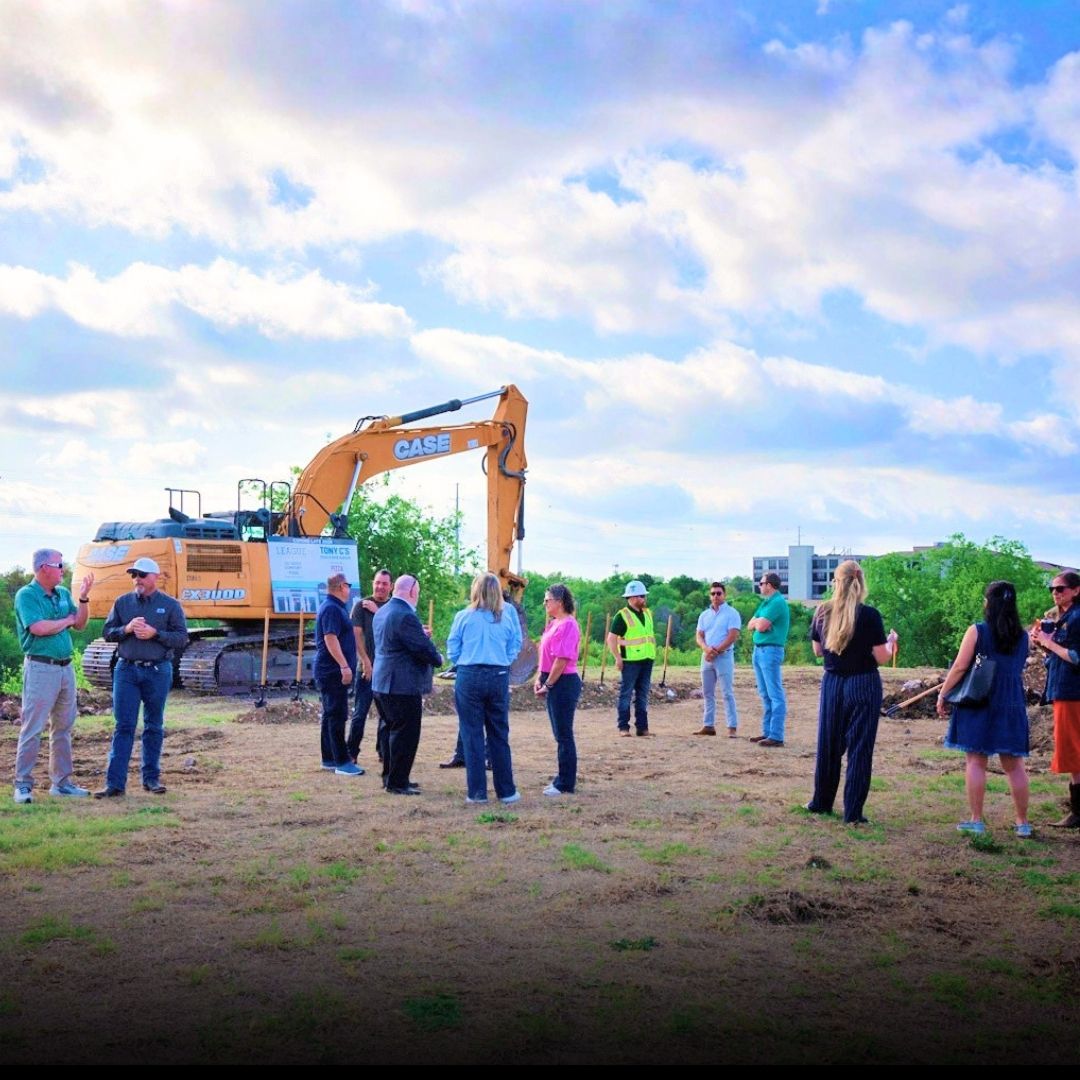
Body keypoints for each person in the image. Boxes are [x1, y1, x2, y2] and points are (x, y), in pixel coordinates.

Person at [936, 581, 1032, 836]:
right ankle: (1022, 823)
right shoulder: (1024, 637)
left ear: (989, 603)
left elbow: (959, 667)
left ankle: (976, 820)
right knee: (1014, 765)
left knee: (976, 761)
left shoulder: (977, 631)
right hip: (1012, 702)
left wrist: (944, 694)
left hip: (981, 700)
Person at [806, 561, 896, 824]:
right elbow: (880, 657)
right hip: (863, 684)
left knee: (828, 745)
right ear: (861, 582)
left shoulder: (822, 611)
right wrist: (890, 644)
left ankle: (820, 802)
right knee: (859, 748)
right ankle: (853, 813)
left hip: (833, 683)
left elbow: (817, 651)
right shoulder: (870, 615)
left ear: (836, 582)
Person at [95, 557, 188, 798]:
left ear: (155, 577)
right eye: (134, 575)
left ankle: (151, 779)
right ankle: (115, 785)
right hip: (126, 670)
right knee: (123, 726)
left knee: (153, 725)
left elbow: (181, 638)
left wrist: (156, 633)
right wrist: (125, 629)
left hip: (157, 671)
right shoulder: (122, 603)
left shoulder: (170, 605)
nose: (137, 579)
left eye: (142, 575)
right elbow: (106, 633)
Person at [12, 549, 95, 803]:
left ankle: (62, 783)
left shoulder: (64, 594)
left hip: (65, 668)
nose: (63, 569)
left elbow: (80, 624)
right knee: (32, 728)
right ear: (44, 568)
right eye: (59, 565)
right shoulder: (27, 595)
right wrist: (66, 621)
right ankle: (23, 785)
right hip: (40, 668)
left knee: (63, 728)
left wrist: (82, 600)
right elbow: (38, 628)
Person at [446, 572, 522, 805]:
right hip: (498, 674)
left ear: (475, 591)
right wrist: (504, 660)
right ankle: (506, 791)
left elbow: (453, 646)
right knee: (499, 733)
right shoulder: (508, 615)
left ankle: (477, 793)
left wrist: (462, 662)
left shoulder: (463, 616)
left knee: (472, 734)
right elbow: (516, 643)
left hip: (469, 675)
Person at [372, 575, 443, 795]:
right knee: (405, 734)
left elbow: (397, 641)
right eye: (418, 593)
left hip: (382, 681)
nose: (418, 597)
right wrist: (438, 657)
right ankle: (398, 782)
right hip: (402, 685)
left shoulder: (383, 611)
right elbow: (421, 649)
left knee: (390, 731)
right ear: (412, 592)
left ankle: (390, 777)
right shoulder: (405, 615)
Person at [1032, 570, 1080, 829]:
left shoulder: (1077, 618)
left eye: (1060, 589)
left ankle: (1077, 812)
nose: (1055, 593)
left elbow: (1076, 656)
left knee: (1073, 750)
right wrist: (1042, 643)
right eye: (1052, 588)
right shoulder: (1064, 618)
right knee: (1072, 749)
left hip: (1073, 692)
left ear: (1076, 590)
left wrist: (1049, 644)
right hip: (1065, 690)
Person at [534, 583, 582, 795]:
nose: (545, 604)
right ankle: (561, 778)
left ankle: (565, 783)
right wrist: (539, 677)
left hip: (563, 682)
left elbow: (561, 660)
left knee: (563, 734)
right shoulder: (554, 623)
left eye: (547, 600)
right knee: (559, 733)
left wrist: (548, 684)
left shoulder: (568, 625)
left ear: (559, 602)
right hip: (550, 677)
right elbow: (544, 654)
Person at [314, 572, 363, 778]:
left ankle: (329, 758)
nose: (349, 589)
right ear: (342, 586)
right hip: (333, 671)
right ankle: (342, 761)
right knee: (336, 715)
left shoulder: (333, 607)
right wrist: (344, 666)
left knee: (329, 715)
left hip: (330, 671)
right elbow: (330, 638)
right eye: (348, 585)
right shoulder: (332, 609)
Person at [349, 568, 392, 768]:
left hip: (387, 671)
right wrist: (365, 661)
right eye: (377, 583)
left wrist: (379, 612)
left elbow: (395, 630)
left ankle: (384, 752)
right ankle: (351, 753)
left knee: (387, 716)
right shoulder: (361, 606)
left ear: (391, 587)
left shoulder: (393, 607)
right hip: (365, 669)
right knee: (360, 713)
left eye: (384, 583)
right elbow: (356, 635)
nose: (380, 587)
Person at [606, 580, 656, 737]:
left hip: (647, 659)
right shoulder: (622, 616)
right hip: (630, 661)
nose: (644, 599)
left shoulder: (647, 613)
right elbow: (611, 639)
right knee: (626, 694)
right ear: (633, 597)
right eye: (641, 596)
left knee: (642, 694)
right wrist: (617, 657)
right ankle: (623, 727)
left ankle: (642, 728)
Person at [747, 571, 790, 747]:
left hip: (770, 651)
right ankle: (767, 732)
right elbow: (751, 624)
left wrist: (760, 623)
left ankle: (776, 735)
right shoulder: (766, 603)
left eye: (761, 583)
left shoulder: (778, 602)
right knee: (765, 694)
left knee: (775, 694)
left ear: (769, 585)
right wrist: (759, 623)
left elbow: (762, 625)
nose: (760, 585)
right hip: (759, 651)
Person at [695, 581, 742, 737]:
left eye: (718, 593)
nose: (715, 596)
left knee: (727, 692)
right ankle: (708, 725)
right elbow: (699, 635)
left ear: (724, 595)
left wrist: (716, 650)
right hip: (707, 657)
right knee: (707, 692)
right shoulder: (704, 615)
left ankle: (732, 727)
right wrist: (706, 649)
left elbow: (732, 635)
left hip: (724, 656)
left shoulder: (732, 613)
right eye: (713, 593)